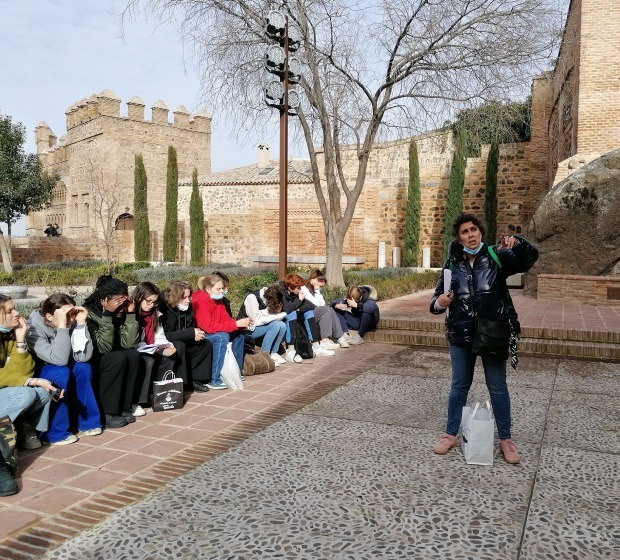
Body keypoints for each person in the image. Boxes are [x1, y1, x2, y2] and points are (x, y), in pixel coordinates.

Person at [430, 213, 539, 464]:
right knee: (459, 386)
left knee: (497, 386)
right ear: (459, 238)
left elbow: (528, 259)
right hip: (461, 333)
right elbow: (435, 301)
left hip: (492, 331)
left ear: (481, 232)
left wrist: (518, 242)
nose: (470, 235)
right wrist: (440, 302)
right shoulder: (452, 264)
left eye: (473, 230)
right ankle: (450, 434)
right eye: (465, 232)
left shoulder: (496, 255)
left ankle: (506, 440)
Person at [26, 293, 102, 444]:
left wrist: (81, 325)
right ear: (49, 316)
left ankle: (88, 422)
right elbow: (58, 359)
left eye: (72, 313)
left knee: (83, 368)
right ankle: (55, 433)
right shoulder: (33, 328)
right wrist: (62, 327)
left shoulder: (71, 322)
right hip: (40, 370)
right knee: (61, 372)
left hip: (62, 364)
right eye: (66, 315)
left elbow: (84, 357)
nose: (71, 318)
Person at [0, 294, 53, 495]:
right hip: (8, 391)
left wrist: (21, 340)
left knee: (42, 393)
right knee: (26, 394)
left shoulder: (11, 334)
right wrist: (30, 381)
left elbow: (25, 371)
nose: (16, 313)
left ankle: (23, 428)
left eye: (15, 308)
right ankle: (13, 432)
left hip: (7, 389)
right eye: (9, 310)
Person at [84, 275, 140, 429]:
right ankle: (108, 412)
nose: (121, 307)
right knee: (117, 357)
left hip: (114, 358)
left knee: (133, 354)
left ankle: (125, 407)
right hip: (94, 359)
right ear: (104, 301)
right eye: (117, 303)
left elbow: (129, 344)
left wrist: (129, 314)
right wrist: (107, 315)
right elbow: (103, 348)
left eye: (124, 302)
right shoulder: (89, 314)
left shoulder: (121, 312)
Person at [192, 275, 252, 389]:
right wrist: (235, 324)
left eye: (222, 288)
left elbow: (225, 319)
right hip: (202, 333)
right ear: (208, 289)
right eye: (218, 289)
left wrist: (241, 324)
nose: (222, 291)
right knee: (222, 337)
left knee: (239, 335)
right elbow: (208, 327)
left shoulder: (217, 300)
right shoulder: (201, 301)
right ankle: (214, 379)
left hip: (213, 330)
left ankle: (236, 371)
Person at [131, 282, 178, 414]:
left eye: (154, 302)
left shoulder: (154, 314)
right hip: (136, 349)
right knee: (148, 360)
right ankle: (138, 401)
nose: (151, 305)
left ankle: (159, 393)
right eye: (148, 301)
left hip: (150, 347)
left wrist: (166, 347)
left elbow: (159, 336)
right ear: (139, 297)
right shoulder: (131, 313)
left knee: (169, 356)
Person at [159, 280, 213, 393]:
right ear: (175, 297)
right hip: (165, 343)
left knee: (205, 345)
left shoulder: (186, 308)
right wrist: (190, 333)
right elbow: (166, 335)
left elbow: (188, 327)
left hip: (181, 338)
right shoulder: (163, 309)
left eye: (189, 297)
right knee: (180, 346)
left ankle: (196, 379)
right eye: (184, 297)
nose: (188, 300)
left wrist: (194, 334)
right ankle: (182, 384)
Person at [278, 273, 334, 363]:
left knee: (309, 312)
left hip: (294, 315)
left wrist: (298, 309)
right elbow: (286, 309)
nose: (300, 289)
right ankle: (290, 351)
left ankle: (316, 347)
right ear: (289, 287)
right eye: (298, 288)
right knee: (291, 313)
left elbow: (310, 305)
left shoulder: (295, 292)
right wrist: (299, 300)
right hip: (279, 318)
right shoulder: (280, 291)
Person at [237, 284, 288, 365]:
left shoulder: (269, 296)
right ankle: (265, 356)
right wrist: (275, 316)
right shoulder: (252, 297)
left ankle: (274, 353)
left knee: (282, 325)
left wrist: (277, 313)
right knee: (275, 325)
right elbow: (256, 321)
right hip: (248, 329)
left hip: (259, 326)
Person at [301, 270, 346, 350]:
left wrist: (317, 291)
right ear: (314, 280)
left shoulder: (315, 290)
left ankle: (339, 336)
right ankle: (325, 341)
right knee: (326, 309)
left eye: (321, 287)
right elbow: (315, 304)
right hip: (307, 313)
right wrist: (317, 290)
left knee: (330, 309)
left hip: (316, 312)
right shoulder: (303, 289)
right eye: (320, 286)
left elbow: (322, 303)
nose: (320, 288)